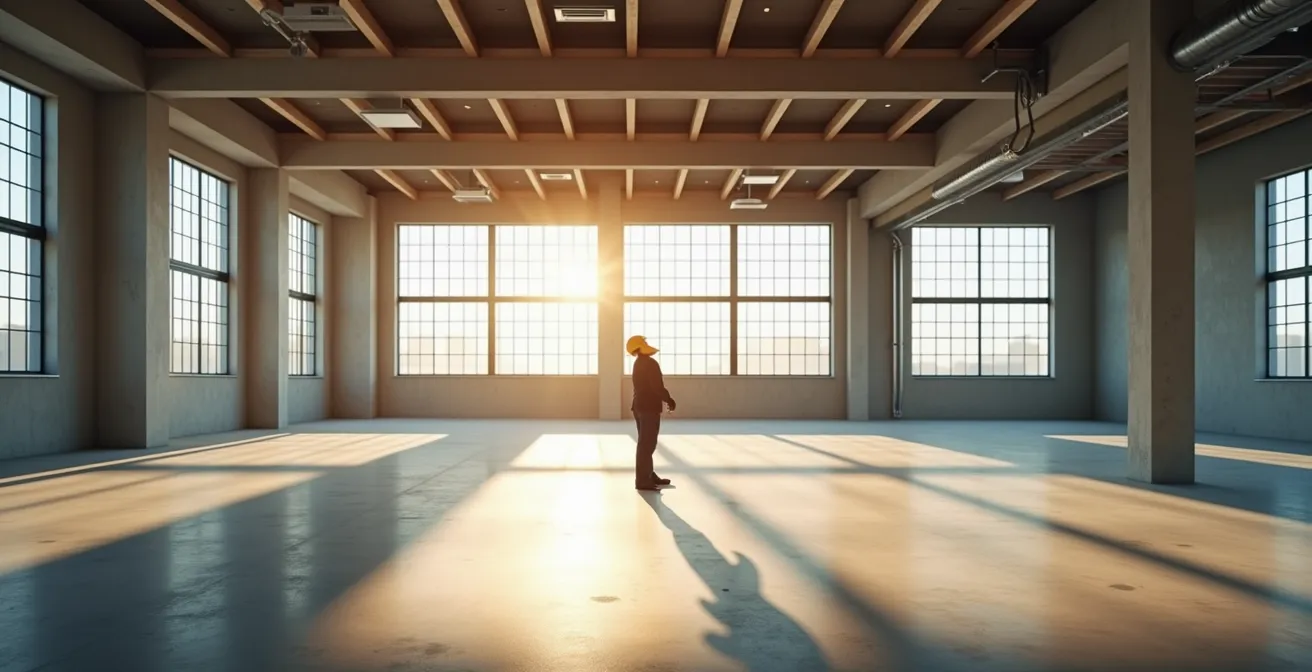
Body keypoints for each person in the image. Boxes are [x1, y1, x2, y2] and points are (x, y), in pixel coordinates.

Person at [627, 335, 676, 491]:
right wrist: (669, 399)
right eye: (645, 343)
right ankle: (642, 481)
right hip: (649, 408)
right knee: (647, 444)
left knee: (646, 444)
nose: (647, 345)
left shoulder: (638, 363)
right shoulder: (650, 363)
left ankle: (648, 474)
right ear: (639, 347)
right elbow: (657, 386)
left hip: (639, 407)